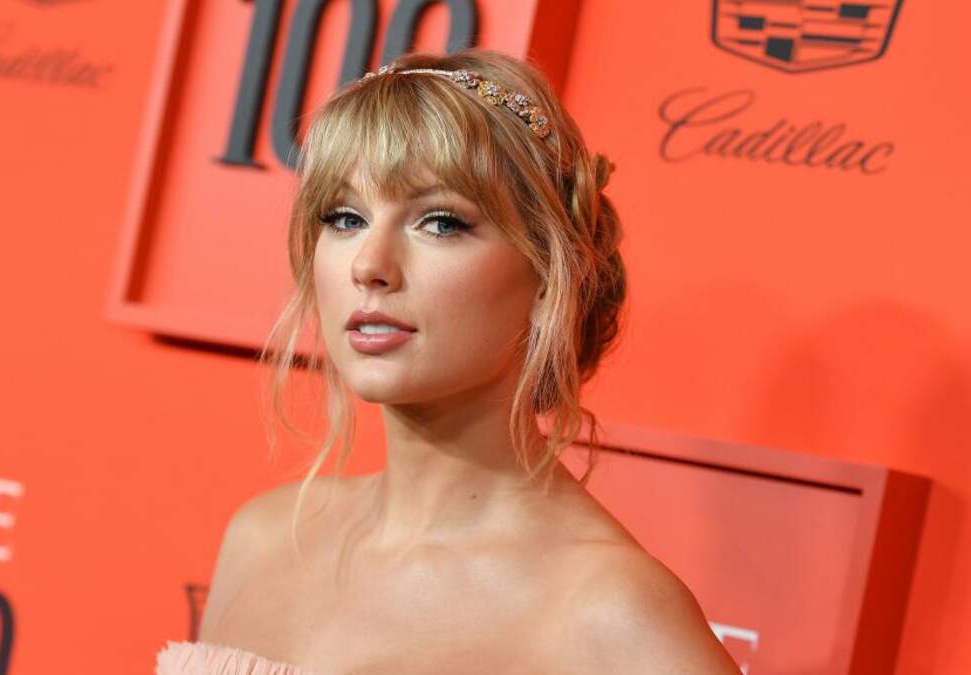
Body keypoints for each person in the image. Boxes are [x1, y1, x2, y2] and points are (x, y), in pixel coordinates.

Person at [155, 48, 742, 674]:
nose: (368, 265)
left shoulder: (610, 614)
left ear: (550, 274)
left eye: (439, 223)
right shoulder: (262, 540)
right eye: (345, 218)